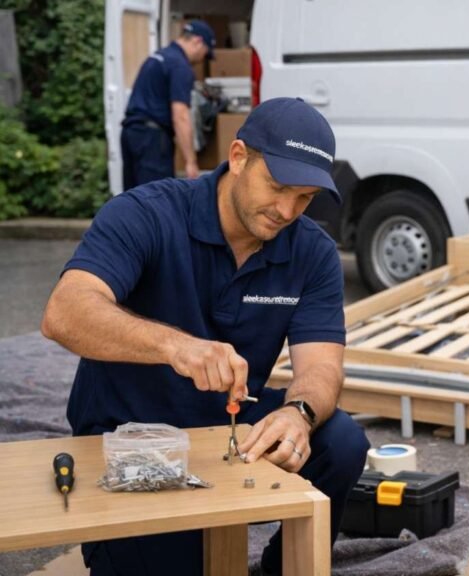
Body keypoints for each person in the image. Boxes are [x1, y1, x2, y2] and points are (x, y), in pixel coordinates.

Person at [42, 97, 370, 575]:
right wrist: (176, 346)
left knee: (340, 440)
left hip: (230, 431)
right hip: (131, 438)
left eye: (304, 199)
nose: (286, 210)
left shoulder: (312, 252)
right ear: (238, 158)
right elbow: (64, 313)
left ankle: (287, 568)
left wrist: (298, 415)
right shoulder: (146, 214)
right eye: (277, 187)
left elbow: (321, 366)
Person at [121, 19, 215, 189]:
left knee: (133, 200)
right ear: (197, 41)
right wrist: (190, 161)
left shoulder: (158, 56)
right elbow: (180, 115)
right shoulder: (180, 66)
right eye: (205, 53)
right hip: (152, 140)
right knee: (156, 200)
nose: (202, 59)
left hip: (131, 133)